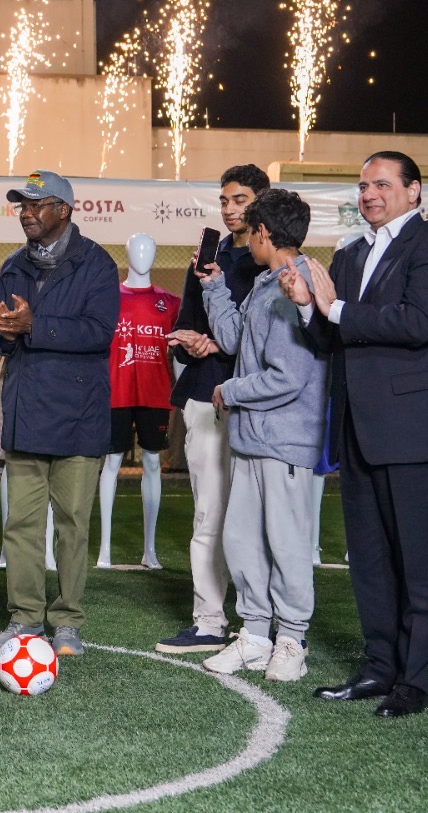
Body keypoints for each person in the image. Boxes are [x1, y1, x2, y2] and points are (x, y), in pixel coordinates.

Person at [284, 151, 428, 718]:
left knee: (416, 561)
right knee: (368, 559)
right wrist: (308, 311)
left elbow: (417, 323)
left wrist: (334, 308)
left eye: (382, 184)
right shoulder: (350, 253)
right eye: (363, 186)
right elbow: (329, 340)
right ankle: (378, 667)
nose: (369, 195)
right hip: (358, 431)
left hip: (416, 432)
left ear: (415, 191)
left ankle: (414, 680)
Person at [0, 170, 119, 658]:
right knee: (21, 523)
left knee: (73, 523)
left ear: (64, 209)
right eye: (21, 205)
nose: (26, 213)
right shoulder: (14, 264)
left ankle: (67, 621)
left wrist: (34, 325)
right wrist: (3, 331)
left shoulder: (96, 263)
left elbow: (100, 332)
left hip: (79, 416)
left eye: (36, 205)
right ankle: (24, 618)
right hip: (26, 412)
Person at [197, 189, 326, 683]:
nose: (245, 240)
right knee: (242, 539)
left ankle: (291, 638)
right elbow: (232, 340)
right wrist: (214, 287)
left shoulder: (297, 285)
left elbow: (288, 376)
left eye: (250, 231)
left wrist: (229, 389)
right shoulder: (265, 283)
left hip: (285, 440)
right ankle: (254, 635)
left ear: (264, 233)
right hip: (253, 438)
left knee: (286, 542)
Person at [156, 163, 269, 654]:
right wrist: (189, 344)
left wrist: (217, 345)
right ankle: (207, 620)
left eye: (239, 200)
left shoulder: (271, 262)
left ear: (261, 202)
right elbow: (183, 332)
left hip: (253, 403)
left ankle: (258, 623)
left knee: (251, 518)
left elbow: (262, 342)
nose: (229, 209)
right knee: (208, 515)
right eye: (224, 200)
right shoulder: (205, 258)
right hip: (203, 399)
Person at [98, 233, 178, 570]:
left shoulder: (170, 302)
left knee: (151, 463)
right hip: (115, 393)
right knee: (111, 464)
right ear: (126, 253)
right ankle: (104, 549)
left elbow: (178, 355)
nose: (143, 255)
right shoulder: (108, 297)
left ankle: (150, 549)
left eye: (149, 249)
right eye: (136, 249)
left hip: (155, 393)